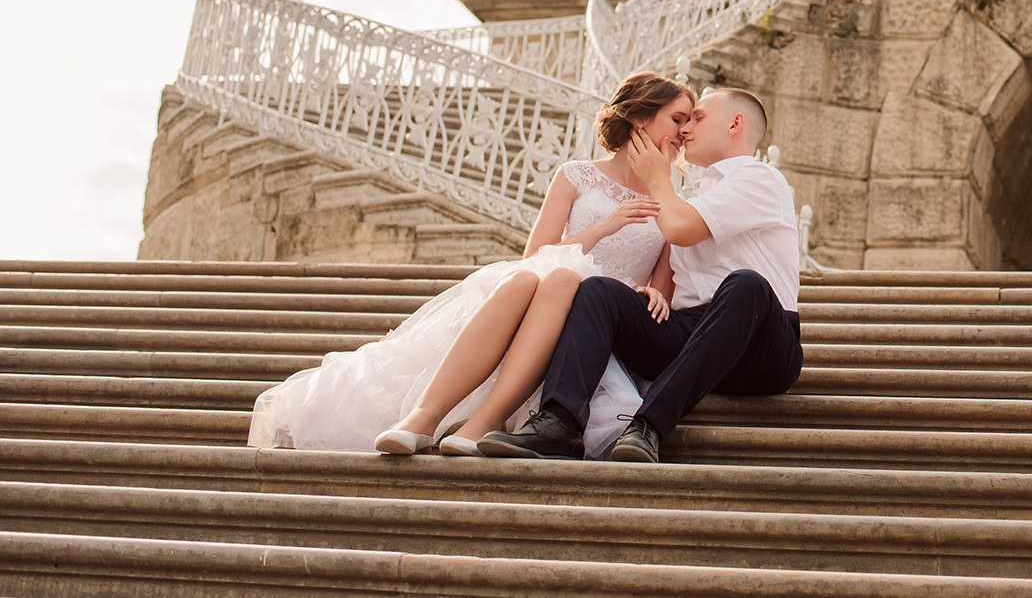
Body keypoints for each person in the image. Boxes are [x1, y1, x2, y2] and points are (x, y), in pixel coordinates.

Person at [245, 70, 692, 455]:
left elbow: (660, 288)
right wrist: (605, 225)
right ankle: (423, 417)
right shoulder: (576, 174)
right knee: (524, 281)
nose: (684, 132)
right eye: (677, 118)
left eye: (690, 122)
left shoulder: (672, 200)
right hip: (543, 285)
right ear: (639, 116)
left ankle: (484, 421)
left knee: (558, 281)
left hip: (598, 316)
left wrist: (651, 294)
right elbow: (534, 254)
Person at [478, 87, 800, 462]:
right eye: (683, 120)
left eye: (697, 118)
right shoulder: (694, 199)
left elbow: (680, 230)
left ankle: (647, 426)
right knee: (599, 291)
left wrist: (655, 177)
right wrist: (647, 293)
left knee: (746, 285)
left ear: (734, 123)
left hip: (761, 340)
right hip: (693, 334)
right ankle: (559, 422)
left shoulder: (760, 179)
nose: (685, 130)